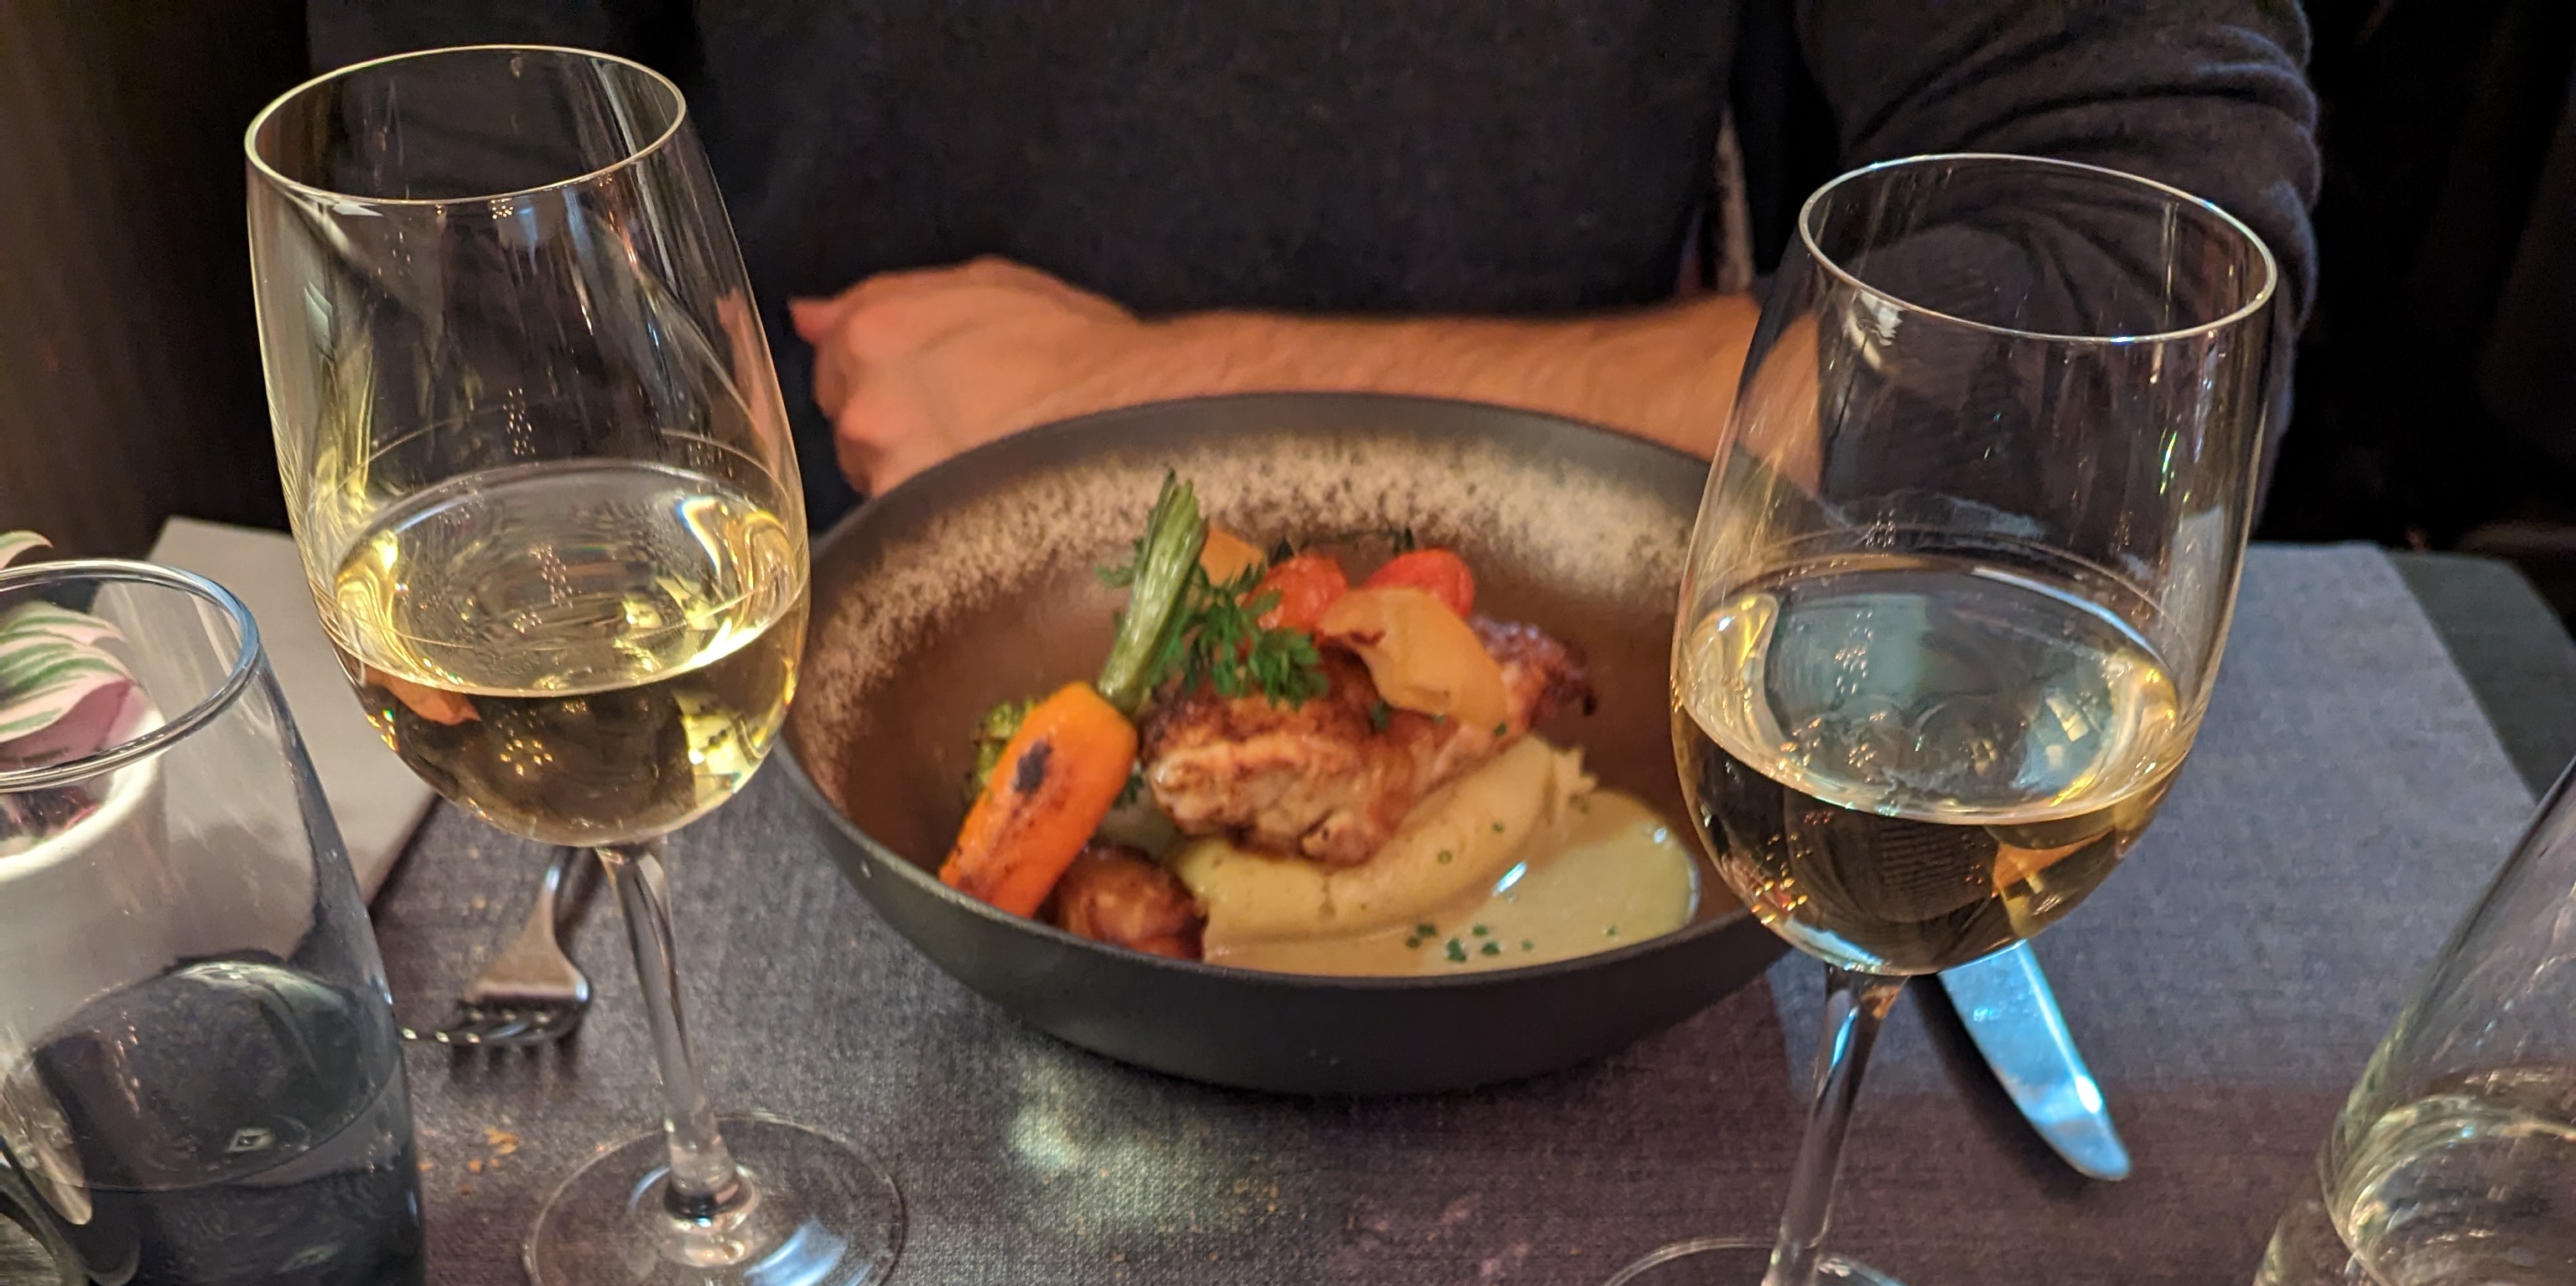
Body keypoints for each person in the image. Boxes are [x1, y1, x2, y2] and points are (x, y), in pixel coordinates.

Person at [310, 3, 2317, 515]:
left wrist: (1152, 409)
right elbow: (456, 205)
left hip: (1629, 676)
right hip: (807, 642)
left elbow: (2144, 319)